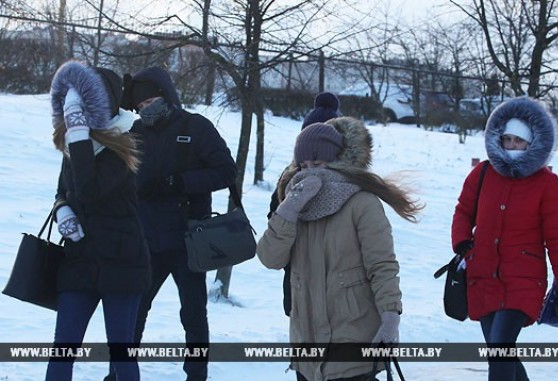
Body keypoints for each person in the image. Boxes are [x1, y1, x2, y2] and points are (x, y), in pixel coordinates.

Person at [257, 118, 422, 381]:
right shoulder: (293, 202)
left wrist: (390, 316)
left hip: (354, 341)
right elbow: (269, 258)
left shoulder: (362, 203)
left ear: (337, 161)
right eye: (304, 165)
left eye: (318, 164)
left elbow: (382, 266)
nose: (309, 171)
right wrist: (288, 210)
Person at [103, 66, 238, 381]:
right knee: (134, 311)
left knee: (193, 313)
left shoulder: (197, 127)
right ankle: (120, 373)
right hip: (146, 239)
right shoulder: (134, 132)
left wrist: (177, 182)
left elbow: (225, 171)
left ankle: (196, 374)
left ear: (166, 96)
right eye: (140, 107)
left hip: (189, 237)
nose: (145, 110)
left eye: (149, 103)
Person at [451, 96, 558, 381]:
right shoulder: (482, 173)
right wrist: (462, 243)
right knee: (501, 352)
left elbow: (557, 241)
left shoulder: (547, 184)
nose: (511, 146)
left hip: (523, 280)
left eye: (518, 141)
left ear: (532, 142)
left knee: (499, 350)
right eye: (507, 139)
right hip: (482, 275)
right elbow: (463, 211)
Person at [47, 60, 150, 381]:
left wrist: (78, 135)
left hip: (122, 263)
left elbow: (90, 192)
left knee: (121, 352)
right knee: (63, 348)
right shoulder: (74, 147)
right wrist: (61, 209)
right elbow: (65, 190)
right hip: (80, 261)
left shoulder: (123, 147)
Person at [266, 91, 342, 317]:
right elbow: (273, 218)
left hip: (337, 281)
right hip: (297, 275)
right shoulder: (289, 177)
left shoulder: (350, 183)